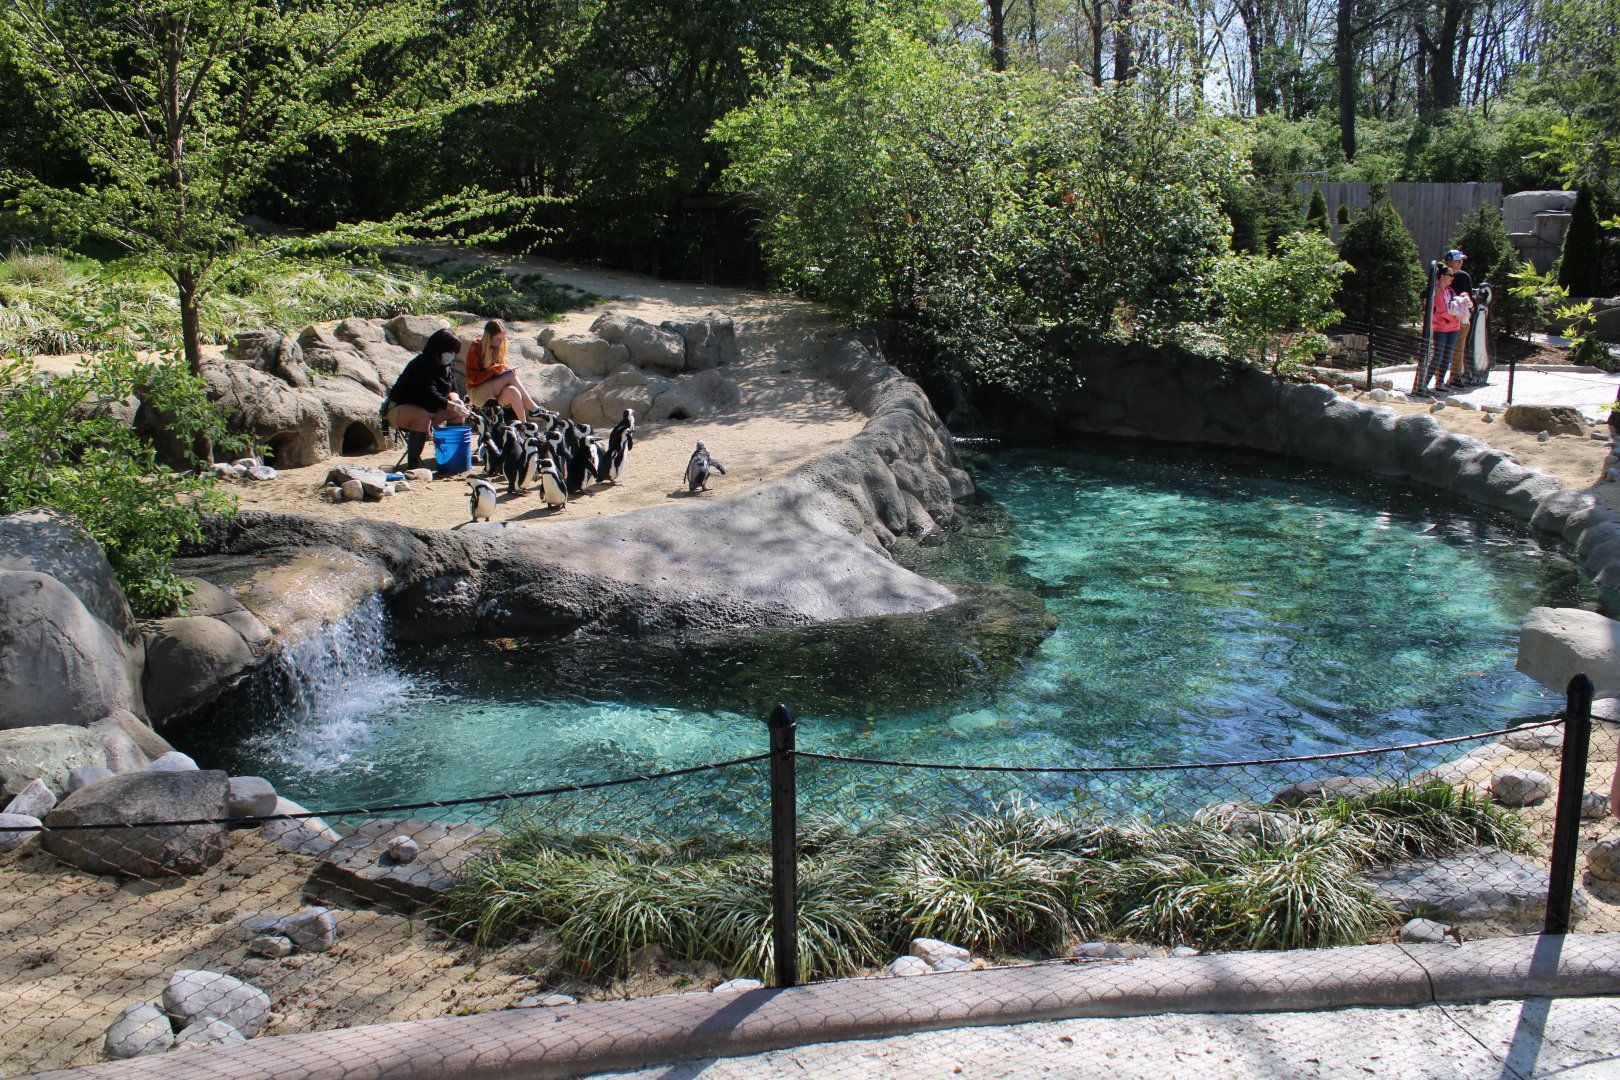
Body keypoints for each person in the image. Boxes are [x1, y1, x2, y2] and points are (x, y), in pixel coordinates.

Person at [381, 328, 470, 470]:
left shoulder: (446, 366)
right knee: (422, 416)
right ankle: (414, 463)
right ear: (439, 348)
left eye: (454, 352)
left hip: (430, 411)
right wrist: (453, 405)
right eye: (450, 351)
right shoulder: (421, 365)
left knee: (456, 413)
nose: (452, 355)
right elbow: (430, 395)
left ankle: (452, 455)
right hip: (399, 411)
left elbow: (452, 388)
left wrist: (456, 400)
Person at [464, 320, 540, 422]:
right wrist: (495, 370)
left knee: (514, 391)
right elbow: (473, 379)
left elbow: (498, 370)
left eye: (502, 339)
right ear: (489, 337)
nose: (500, 342)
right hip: (477, 393)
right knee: (510, 375)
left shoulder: (498, 348)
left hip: (494, 391)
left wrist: (502, 369)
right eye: (497, 339)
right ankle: (533, 409)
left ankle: (524, 426)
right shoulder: (476, 347)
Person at [1418, 265, 1462, 397]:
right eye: (1450, 275)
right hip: (1441, 328)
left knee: (1447, 356)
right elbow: (1442, 310)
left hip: (1454, 328)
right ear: (1442, 276)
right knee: (1438, 355)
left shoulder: (1450, 291)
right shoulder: (1437, 291)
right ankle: (1423, 383)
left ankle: (1440, 382)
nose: (1452, 278)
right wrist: (1455, 317)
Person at [1443, 249, 1476, 388]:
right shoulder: (1440, 274)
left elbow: (1469, 298)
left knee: (1458, 348)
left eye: (1461, 260)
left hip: (1461, 319)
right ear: (1448, 261)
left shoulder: (1464, 277)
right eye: (1457, 260)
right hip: (1443, 319)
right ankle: (1439, 378)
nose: (1460, 263)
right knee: (1442, 348)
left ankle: (1455, 377)